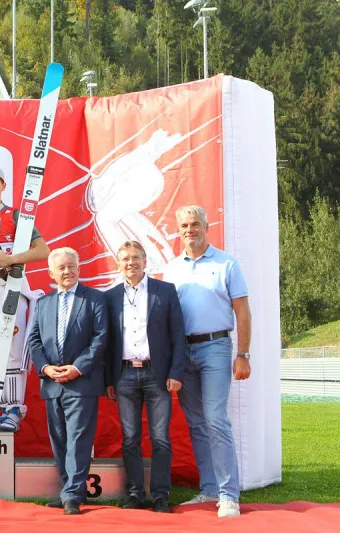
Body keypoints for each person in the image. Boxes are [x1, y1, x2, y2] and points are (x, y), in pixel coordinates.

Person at [163, 205, 252, 518]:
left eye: (195, 224)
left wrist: (243, 354)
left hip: (215, 347)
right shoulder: (172, 269)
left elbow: (243, 312)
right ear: (179, 230)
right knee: (197, 422)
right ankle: (210, 489)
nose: (190, 230)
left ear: (206, 227)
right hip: (182, 352)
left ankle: (229, 495)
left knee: (215, 418)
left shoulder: (227, 263)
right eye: (185, 225)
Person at [105, 240, 186, 513]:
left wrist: (176, 372)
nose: (131, 263)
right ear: (119, 264)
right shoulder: (110, 296)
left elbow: (178, 335)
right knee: (130, 438)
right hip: (124, 375)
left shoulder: (165, 291)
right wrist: (109, 380)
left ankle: (161, 495)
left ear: (145, 261)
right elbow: (108, 342)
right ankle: (135, 494)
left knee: (160, 438)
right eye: (125, 259)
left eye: (136, 257)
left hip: (157, 375)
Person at [27, 247, 107, 515]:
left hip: (81, 382)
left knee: (79, 439)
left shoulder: (95, 299)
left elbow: (100, 338)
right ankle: (68, 490)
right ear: (51, 273)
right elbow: (34, 340)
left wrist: (77, 368)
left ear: (79, 268)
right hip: (52, 384)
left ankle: (72, 494)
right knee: (59, 439)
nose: (67, 271)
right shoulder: (43, 303)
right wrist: (46, 368)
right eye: (61, 267)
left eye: (72, 266)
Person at [0, 166, 50, 432]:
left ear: (3, 186)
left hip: (11, 285)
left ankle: (14, 408)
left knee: (14, 351)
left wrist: (11, 259)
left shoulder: (15, 215)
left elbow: (43, 251)